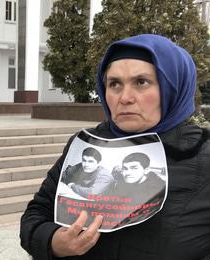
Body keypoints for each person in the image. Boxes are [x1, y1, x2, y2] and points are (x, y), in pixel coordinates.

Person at [20, 34, 210, 259]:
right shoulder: (85, 145)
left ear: (173, 87)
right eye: (114, 84)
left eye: (141, 82)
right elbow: (36, 214)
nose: (125, 97)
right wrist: (53, 241)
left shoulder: (202, 156)